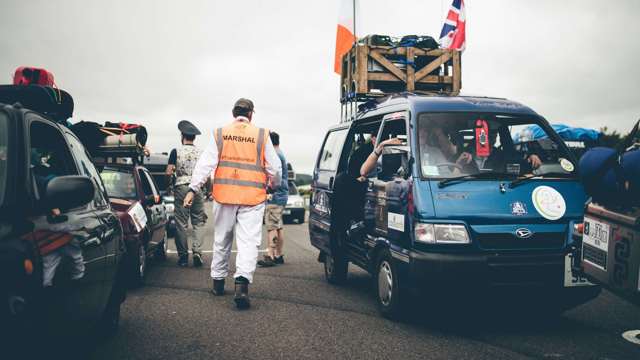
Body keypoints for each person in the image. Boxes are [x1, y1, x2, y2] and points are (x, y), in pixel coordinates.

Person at [184, 98, 281, 309]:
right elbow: (275, 168)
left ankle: (218, 283)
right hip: (252, 198)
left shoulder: (220, 133)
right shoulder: (262, 135)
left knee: (222, 238)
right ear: (251, 114)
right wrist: (273, 184)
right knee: (248, 242)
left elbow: (205, 164)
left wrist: (193, 188)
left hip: (224, 195)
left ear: (233, 113)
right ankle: (241, 286)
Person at [166, 120, 206, 268]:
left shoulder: (176, 151)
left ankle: (183, 257)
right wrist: (205, 190)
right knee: (198, 221)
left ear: (182, 135)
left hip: (181, 187)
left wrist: (168, 184)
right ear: (194, 137)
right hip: (198, 189)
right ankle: (197, 252)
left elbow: (169, 171)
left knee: (181, 223)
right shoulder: (201, 153)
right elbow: (206, 174)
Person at [258, 131, 288, 267]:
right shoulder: (280, 152)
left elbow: (274, 175)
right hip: (282, 195)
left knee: (272, 226)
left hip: (275, 195)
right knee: (278, 226)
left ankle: (270, 255)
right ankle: (279, 255)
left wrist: (269, 189)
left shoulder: (274, 154)